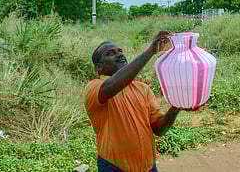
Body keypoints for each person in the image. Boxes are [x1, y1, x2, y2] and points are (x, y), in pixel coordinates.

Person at [84, 30, 200, 172]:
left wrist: (176, 107)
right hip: (114, 167)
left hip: (148, 167)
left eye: (120, 51)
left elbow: (158, 129)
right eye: (111, 53)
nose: (120, 54)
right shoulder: (94, 88)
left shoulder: (142, 88)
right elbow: (111, 86)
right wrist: (151, 51)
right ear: (99, 67)